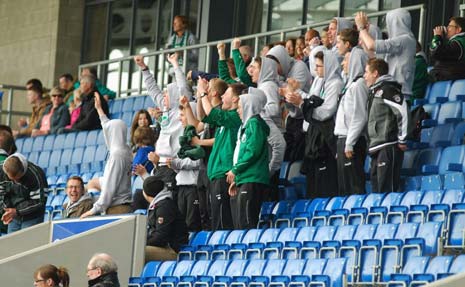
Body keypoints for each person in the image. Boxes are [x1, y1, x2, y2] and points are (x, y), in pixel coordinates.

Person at [285, 50, 343, 198]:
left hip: (326, 138)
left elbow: (326, 111)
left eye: (319, 66)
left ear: (329, 65)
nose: (316, 69)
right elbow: (311, 101)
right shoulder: (319, 80)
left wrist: (301, 103)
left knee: (324, 186)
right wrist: (296, 93)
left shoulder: (335, 83)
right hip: (313, 136)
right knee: (313, 185)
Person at [81, 93, 132, 218]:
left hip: (117, 208)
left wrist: (94, 210)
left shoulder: (117, 155)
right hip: (121, 205)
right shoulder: (126, 149)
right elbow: (107, 126)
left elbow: (110, 185)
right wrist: (99, 109)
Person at [364, 58, 409, 193]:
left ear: (375, 73)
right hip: (376, 147)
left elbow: (403, 111)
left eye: (366, 72)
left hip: (388, 146)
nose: (364, 76)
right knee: (377, 192)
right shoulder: (375, 91)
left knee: (387, 191)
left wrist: (402, 139)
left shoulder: (388, 89)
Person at [227, 90, 270, 230]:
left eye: (240, 107)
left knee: (246, 222)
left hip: (253, 178)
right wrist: (237, 178)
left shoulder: (254, 124)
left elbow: (252, 152)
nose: (238, 110)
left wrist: (235, 170)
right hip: (245, 179)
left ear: (248, 106)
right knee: (241, 222)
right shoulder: (246, 126)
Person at [356, 8, 416, 100]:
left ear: (396, 23)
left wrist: (362, 28)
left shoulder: (405, 39)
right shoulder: (400, 42)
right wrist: (364, 34)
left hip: (399, 93)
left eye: (389, 24)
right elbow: (374, 56)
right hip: (390, 90)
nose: (388, 28)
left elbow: (372, 45)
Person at [334, 49, 369, 196]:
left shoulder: (359, 84)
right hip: (344, 139)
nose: (342, 63)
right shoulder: (351, 84)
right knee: (344, 188)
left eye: (346, 60)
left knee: (353, 186)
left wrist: (349, 142)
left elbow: (360, 115)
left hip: (352, 141)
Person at [143, 177, 188, 262]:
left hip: (172, 250)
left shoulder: (164, 206)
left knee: (138, 252)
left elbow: (161, 237)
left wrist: (142, 242)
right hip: (161, 247)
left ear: (145, 192)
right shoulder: (158, 204)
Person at [0, 153, 48, 233]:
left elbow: (40, 201)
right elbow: (1, 193)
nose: (15, 181)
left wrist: (17, 211)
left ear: (23, 170)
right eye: (12, 179)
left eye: (18, 179)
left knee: (28, 244)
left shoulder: (36, 174)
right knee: (12, 243)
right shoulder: (1, 171)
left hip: (32, 216)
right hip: (14, 216)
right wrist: (6, 209)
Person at [429, 16, 465, 81]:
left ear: (458, 29)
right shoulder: (458, 42)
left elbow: (436, 53)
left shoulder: (458, 43)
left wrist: (437, 36)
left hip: (446, 78)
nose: (447, 29)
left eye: (450, 26)